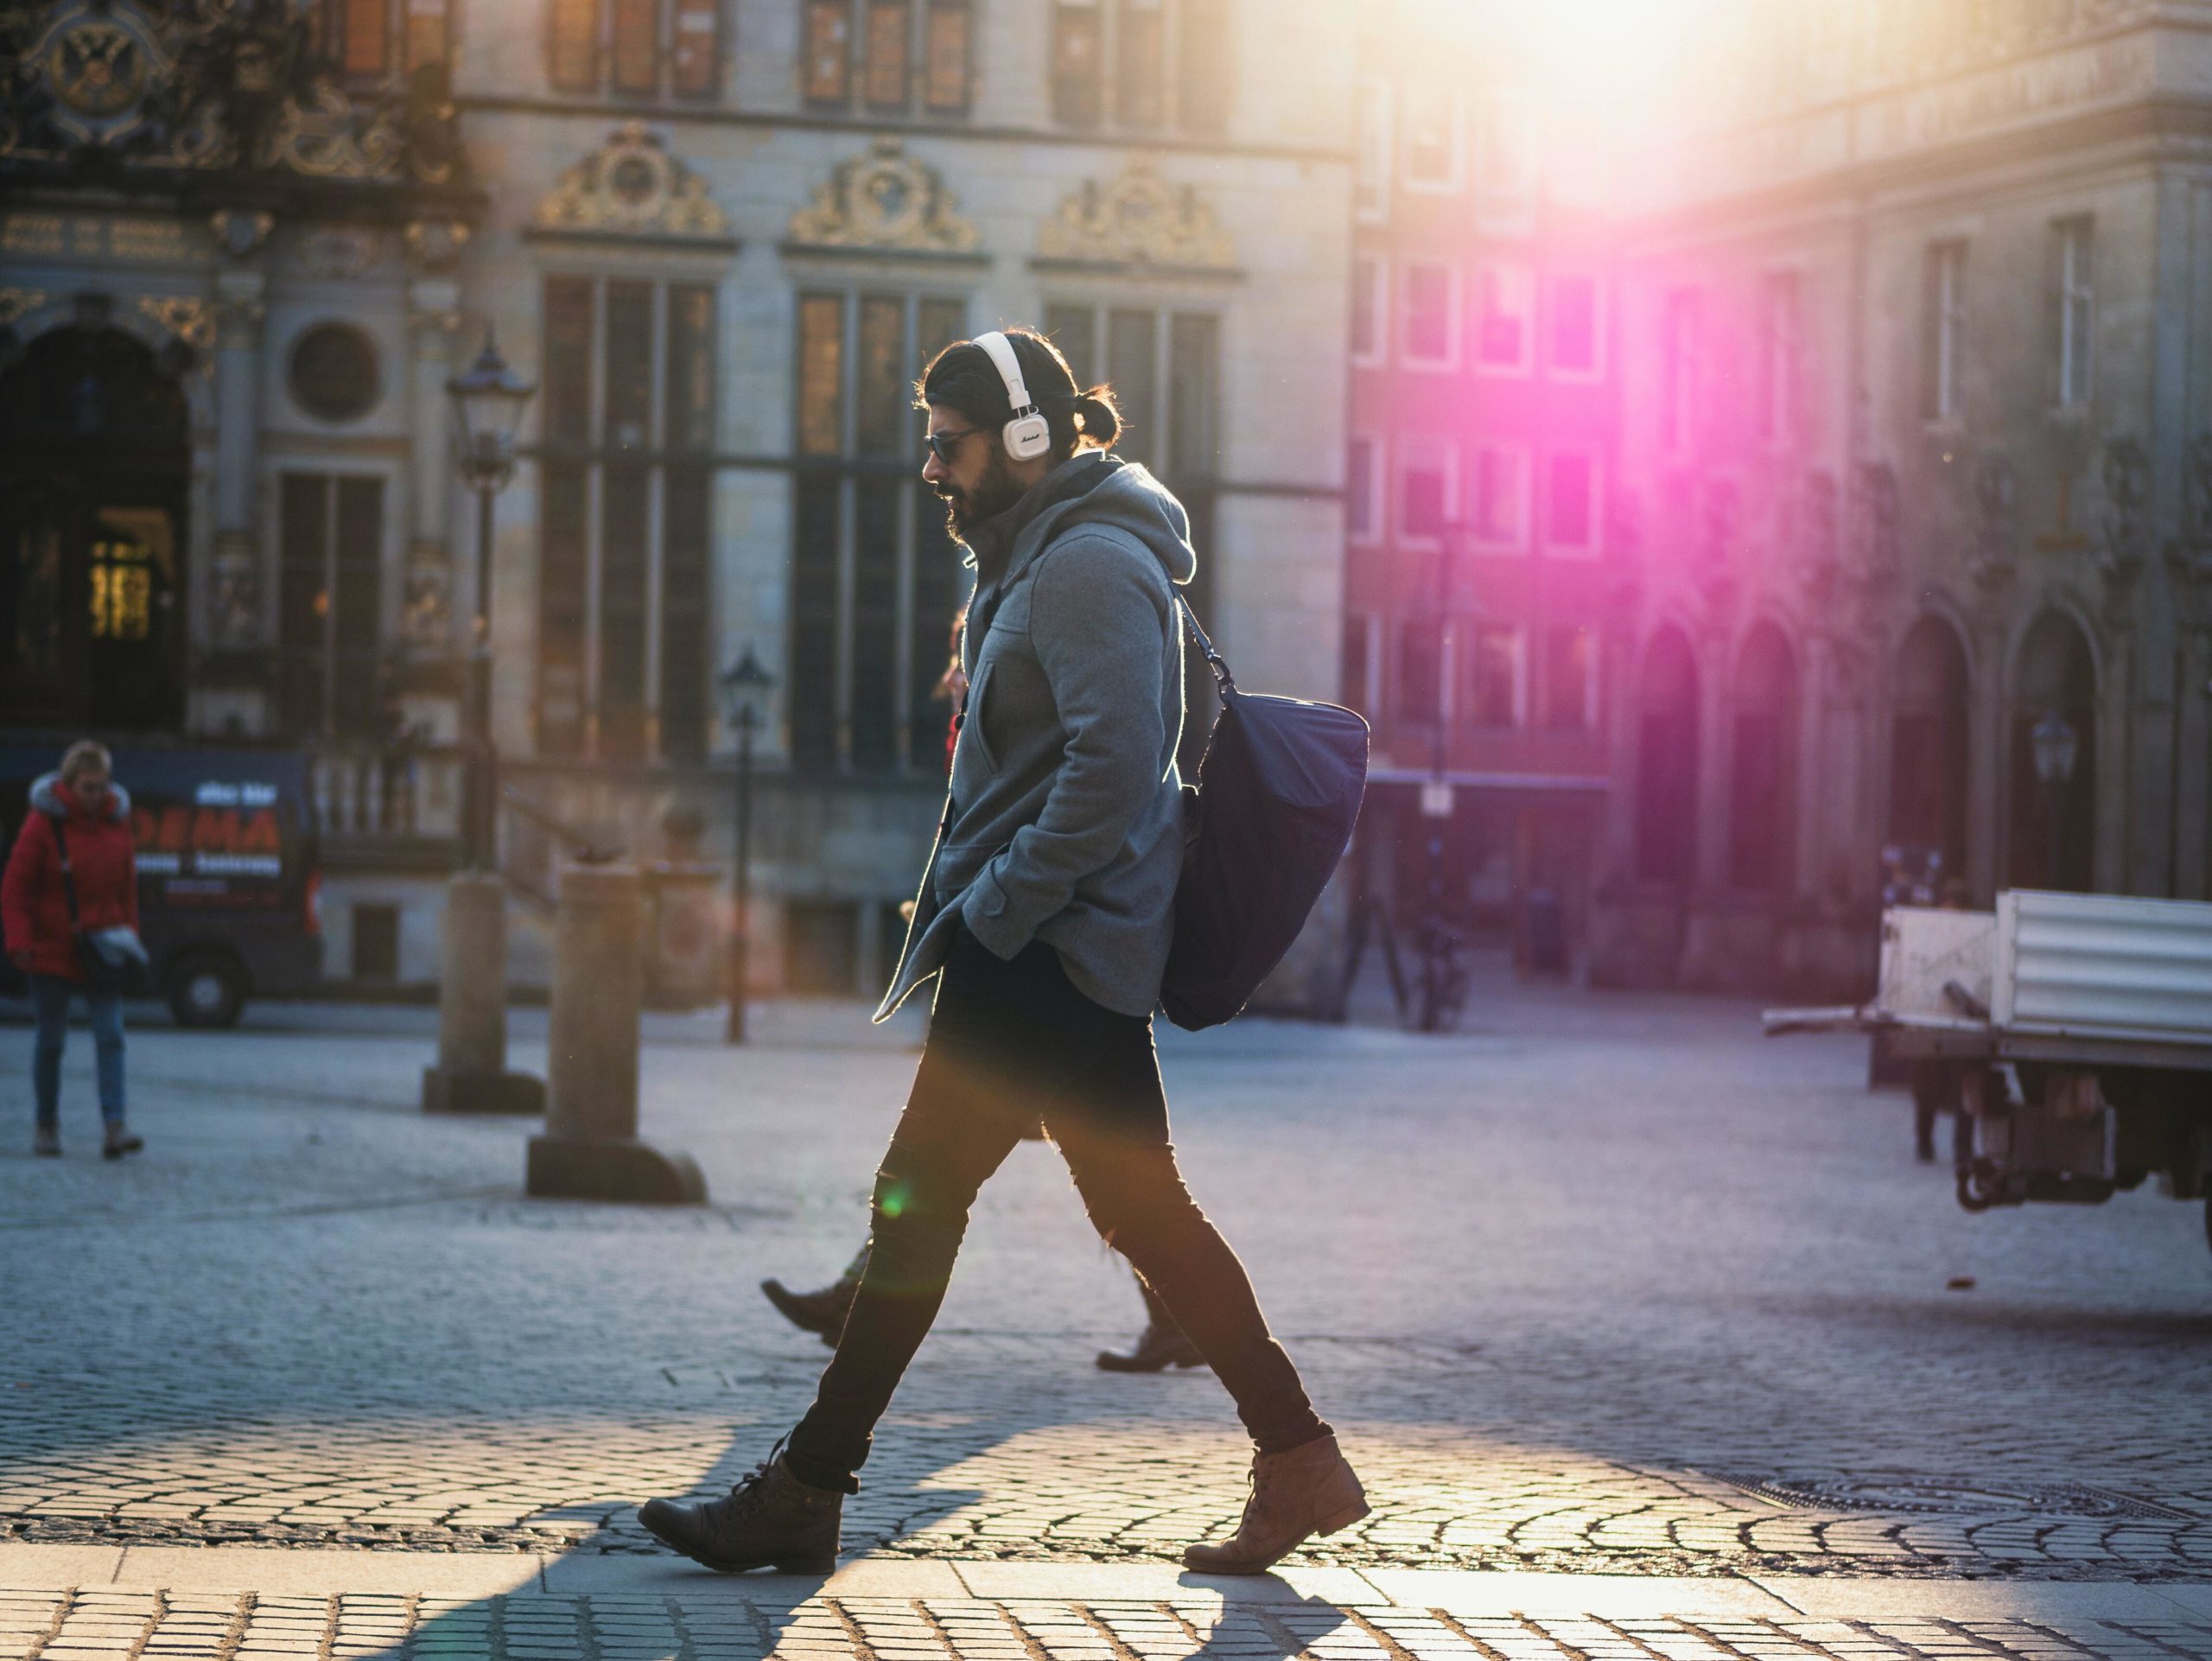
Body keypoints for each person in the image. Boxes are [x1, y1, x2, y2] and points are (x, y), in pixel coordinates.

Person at [640, 328, 1364, 1576]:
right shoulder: (1043, 554)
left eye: (949, 441)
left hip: (1045, 948)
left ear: (1028, 439)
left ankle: (805, 1489)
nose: (931, 465)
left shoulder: (1084, 562)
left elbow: (1116, 765)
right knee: (1144, 1212)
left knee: (914, 1200)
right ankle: (1299, 1458)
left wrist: (999, 908)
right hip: (1065, 946)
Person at [761, 607, 1205, 1375]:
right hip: (1026, 970)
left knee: (946, 1174)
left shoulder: (1025, 701)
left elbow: (1067, 802)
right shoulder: (981, 717)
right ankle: (1189, 1329)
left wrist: (994, 912)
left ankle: (851, 1321)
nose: (964, 671)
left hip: (1037, 975)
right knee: (1112, 1181)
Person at [4, 740, 145, 1160]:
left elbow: (127, 891)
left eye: (102, 786)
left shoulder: (116, 824)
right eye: (87, 787)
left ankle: (114, 1126)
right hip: (51, 949)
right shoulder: (43, 825)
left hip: (102, 948)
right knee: (51, 1041)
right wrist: (20, 942)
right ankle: (46, 1126)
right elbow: (15, 889)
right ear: (69, 785)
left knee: (111, 1036)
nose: (96, 795)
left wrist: (130, 938)